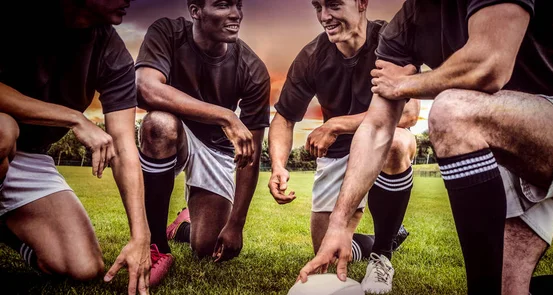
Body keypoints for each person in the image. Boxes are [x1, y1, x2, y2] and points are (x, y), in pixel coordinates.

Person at [298, 0, 553, 294]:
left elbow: (490, 64)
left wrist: (403, 85)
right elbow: (376, 128)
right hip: (511, 150)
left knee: (452, 110)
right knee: (509, 288)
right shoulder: (402, 28)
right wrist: (339, 223)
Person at [0, 1, 151, 294]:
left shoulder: (112, 52)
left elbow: (122, 145)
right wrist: (74, 118)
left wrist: (140, 234)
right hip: (5, 137)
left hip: (30, 154)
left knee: (82, 267)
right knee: (4, 130)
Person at [269, 0, 419, 293]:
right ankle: (388, 235)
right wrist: (277, 165)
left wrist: (335, 124)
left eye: (334, 5)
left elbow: (410, 113)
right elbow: (284, 117)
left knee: (397, 143)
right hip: (337, 154)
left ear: (362, 3)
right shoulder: (312, 55)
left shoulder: (391, 41)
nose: (324, 16)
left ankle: (382, 256)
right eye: (318, 6)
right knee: (327, 251)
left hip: (382, 140)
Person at [134, 0, 270, 286]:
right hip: (179, 130)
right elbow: (145, 88)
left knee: (207, 247)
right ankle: (156, 245)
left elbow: (251, 155)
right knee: (159, 124)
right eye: (222, 5)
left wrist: (236, 224)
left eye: (238, 5)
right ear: (195, 11)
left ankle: (183, 226)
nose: (235, 14)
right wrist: (226, 116)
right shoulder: (167, 32)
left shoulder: (252, 69)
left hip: (217, 148)